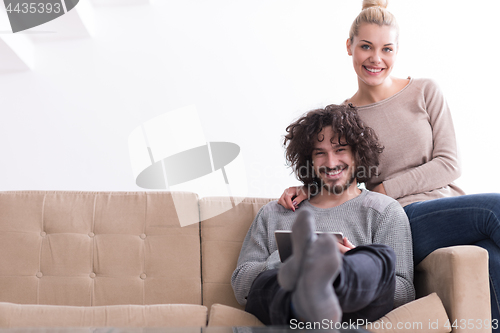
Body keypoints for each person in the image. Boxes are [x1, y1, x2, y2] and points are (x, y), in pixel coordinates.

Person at [278, 0, 500, 327]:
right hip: (403, 218)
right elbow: (340, 172)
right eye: (366, 46)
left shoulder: (425, 91)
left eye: (387, 49)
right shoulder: (344, 117)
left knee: (492, 259)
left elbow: (450, 164)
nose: (376, 59)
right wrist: (305, 187)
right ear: (349, 46)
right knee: (495, 208)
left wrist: (387, 185)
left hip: (452, 206)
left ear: (397, 52)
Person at [231, 104, 414, 326]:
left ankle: (335, 281)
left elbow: (404, 293)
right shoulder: (275, 212)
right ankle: (309, 294)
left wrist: (356, 260)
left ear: (357, 153)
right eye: (320, 153)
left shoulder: (384, 211)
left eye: (340, 150)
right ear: (309, 161)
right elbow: (242, 288)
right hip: (289, 308)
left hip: (350, 305)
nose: (331, 163)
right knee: (271, 280)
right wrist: (285, 258)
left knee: (376, 259)